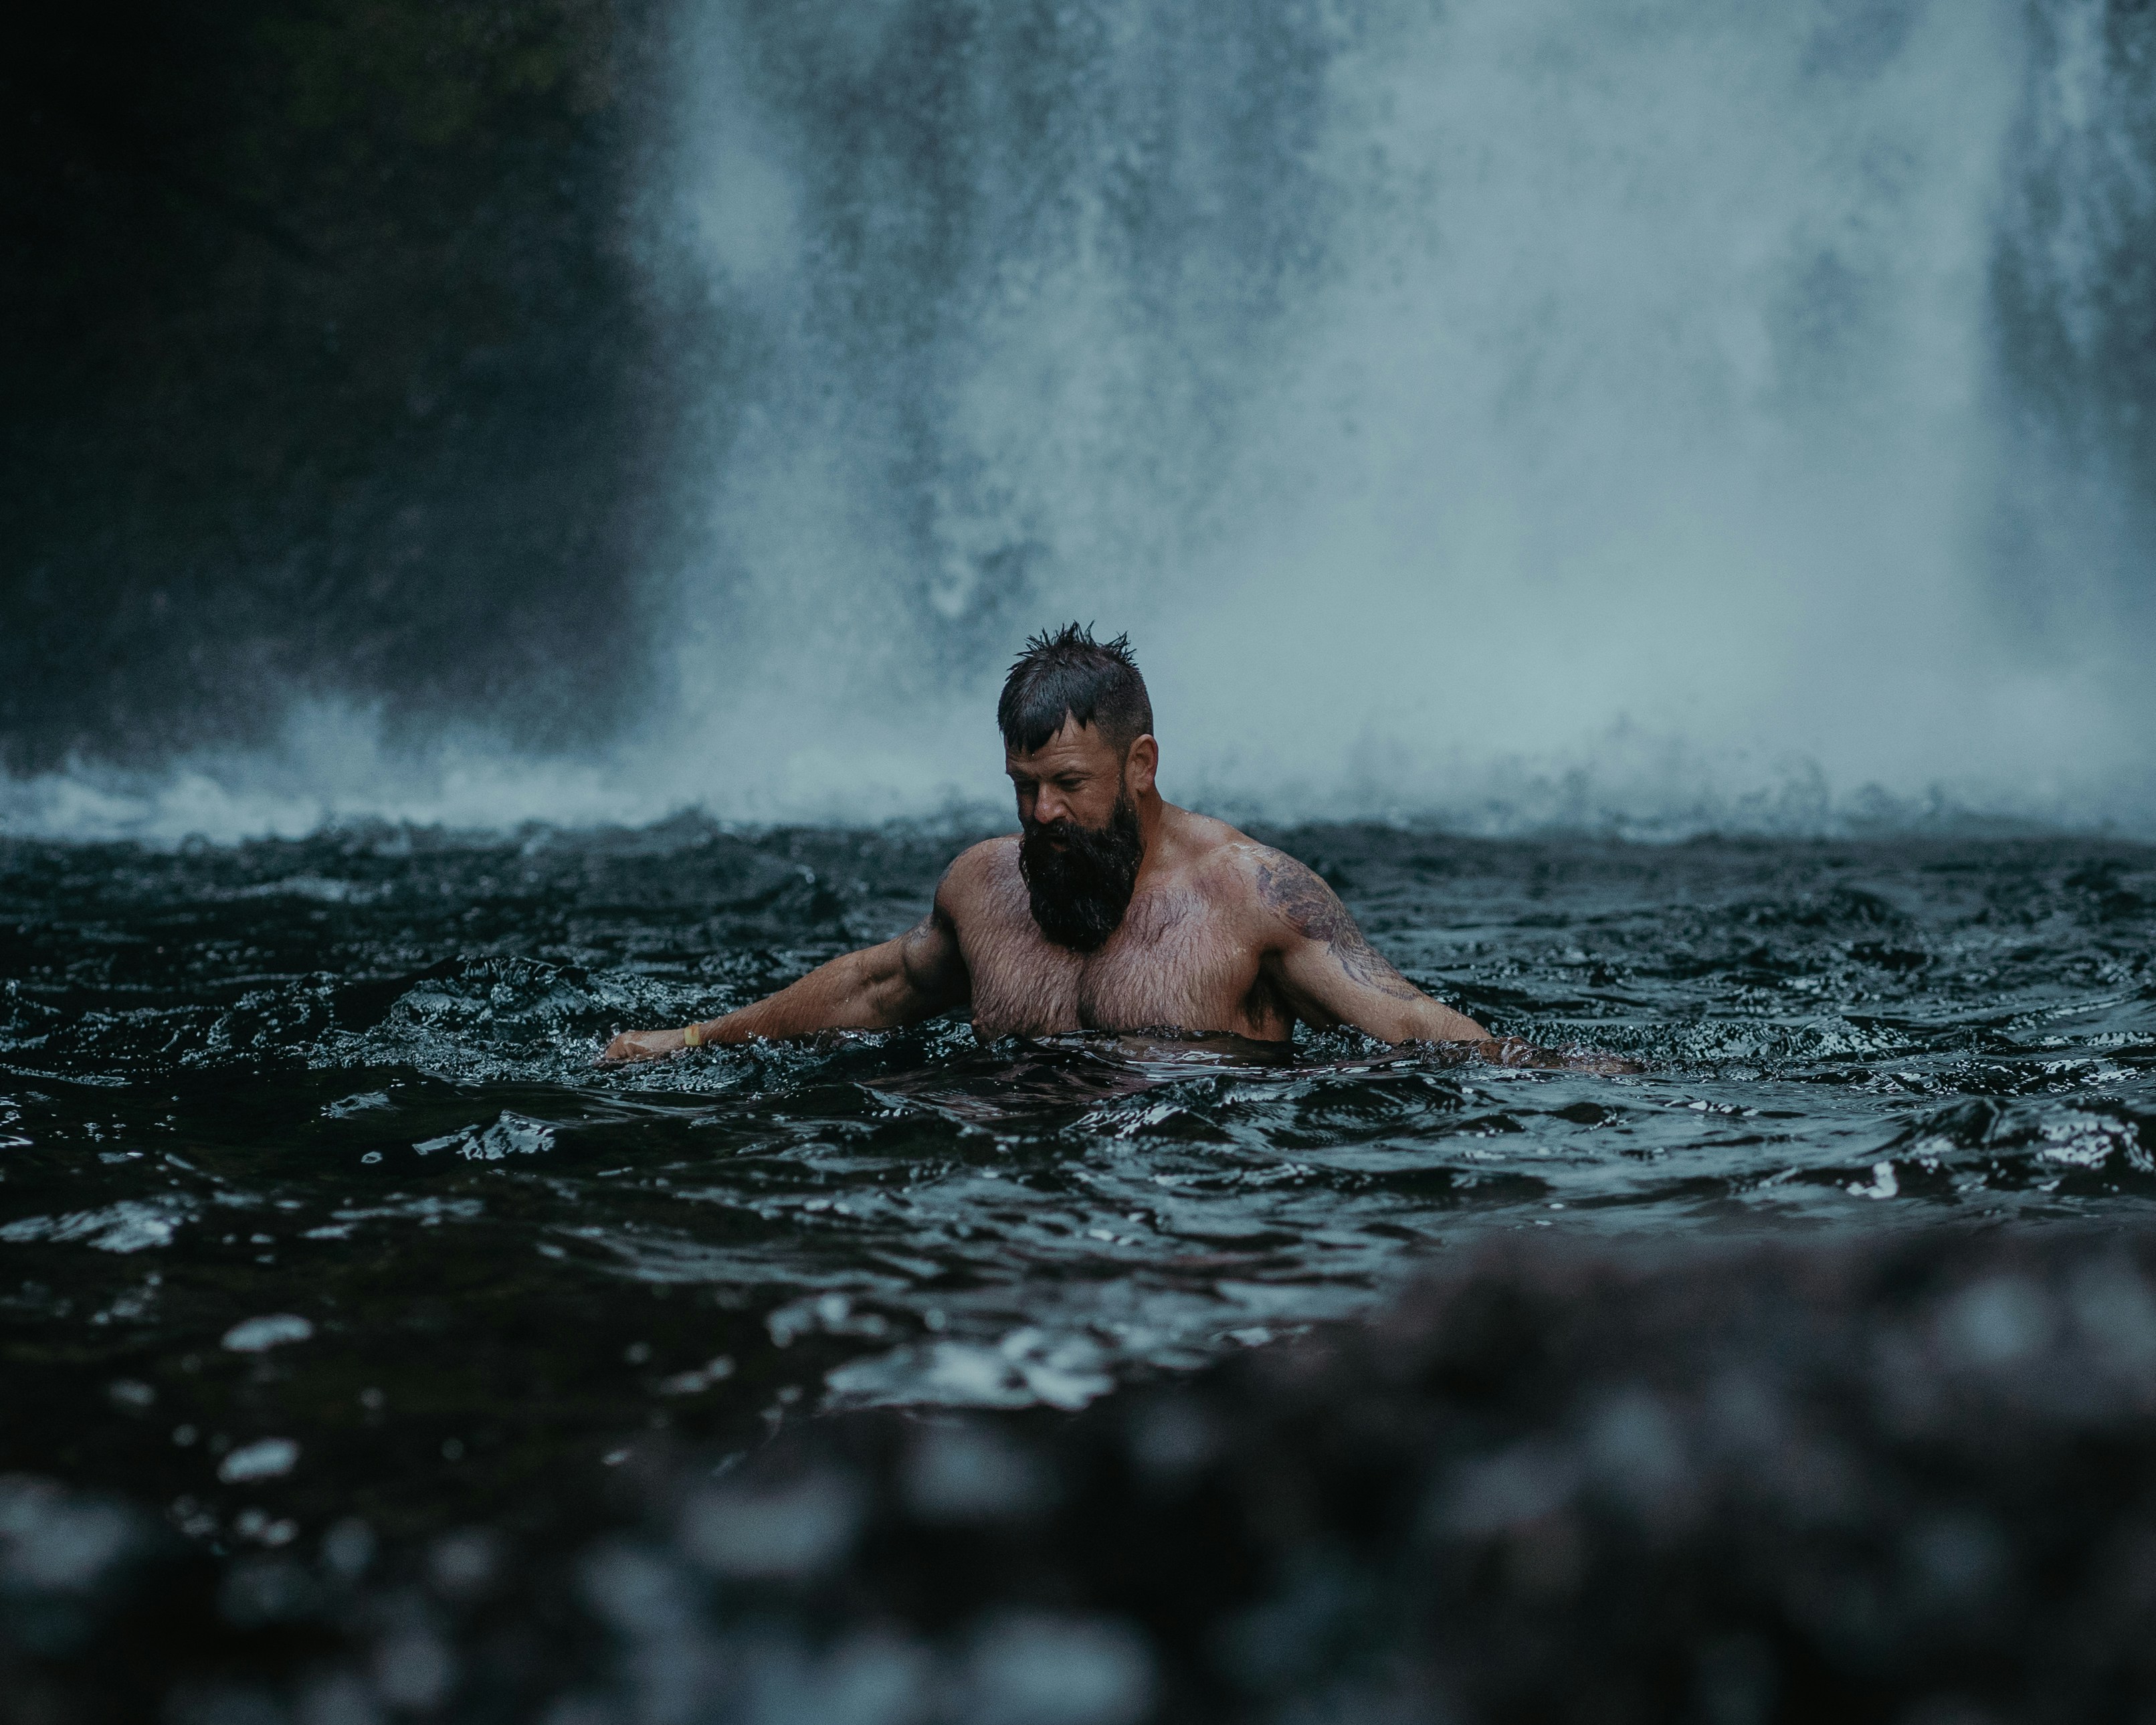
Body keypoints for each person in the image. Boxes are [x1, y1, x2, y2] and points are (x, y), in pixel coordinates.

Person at [602, 625, 1578, 1065]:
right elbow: (879, 989)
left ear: (1141, 763)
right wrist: (686, 1041)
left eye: (1069, 785)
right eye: (1025, 788)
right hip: (1021, 1230)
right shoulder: (985, 887)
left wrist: (1573, 1075)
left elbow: (1407, 1025)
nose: (1043, 817)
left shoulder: (1253, 897)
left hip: (1195, 1230)